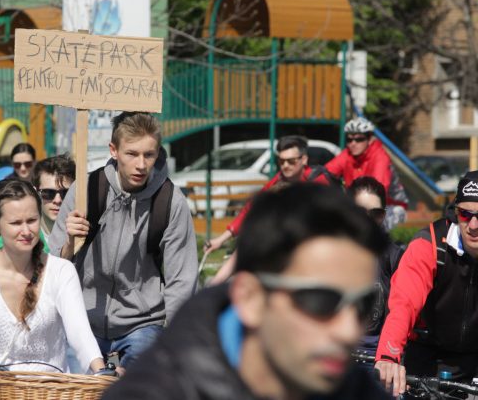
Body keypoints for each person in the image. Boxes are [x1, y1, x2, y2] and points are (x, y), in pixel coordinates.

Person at [102, 183, 392, 400]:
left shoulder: (353, 388)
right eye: (322, 301)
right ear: (249, 299)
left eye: (362, 304)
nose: (348, 330)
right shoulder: (153, 391)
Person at [48, 111, 198, 371]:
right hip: (83, 320)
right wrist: (70, 244)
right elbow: (52, 268)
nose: (141, 164)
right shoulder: (85, 190)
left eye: (149, 155)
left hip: (142, 324)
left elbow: (181, 281)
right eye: (132, 154)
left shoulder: (170, 201)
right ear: (114, 151)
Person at [0, 178, 105, 400]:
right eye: (16, 223)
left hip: (46, 391)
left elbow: (80, 333)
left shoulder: (61, 271)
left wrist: (99, 369)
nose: (26, 230)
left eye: (32, 220)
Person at [375, 170, 478, 397]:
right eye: (465, 214)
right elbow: (404, 303)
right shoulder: (429, 244)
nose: (473, 225)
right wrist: (388, 356)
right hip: (426, 355)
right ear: (455, 212)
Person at [204, 135, 332, 255]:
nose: (285, 166)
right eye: (281, 161)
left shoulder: (318, 182)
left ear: (304, 159)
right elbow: (252, 208)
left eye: (291, 161)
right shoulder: (279, 180)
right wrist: (220, 239)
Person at [347, 177, 404, 358]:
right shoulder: (329, 253)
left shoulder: (394, 256)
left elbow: (402, 310)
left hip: (377, 357)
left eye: (376, 214)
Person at [325, 117, 408, 230]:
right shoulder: (347, 154)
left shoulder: (380, 157)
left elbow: (377, 190)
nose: (353, 144)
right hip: (360, 202)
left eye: (359, 139)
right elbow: (325, 173)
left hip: (389, 205)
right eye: (349, 140)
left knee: (374, 226)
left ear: (370, 140)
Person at [0, 154, 76, 252]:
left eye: (65, 193)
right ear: (36, 192)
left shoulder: (87, 233)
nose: (57, 200)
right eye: (48, 193)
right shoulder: (21, 234)